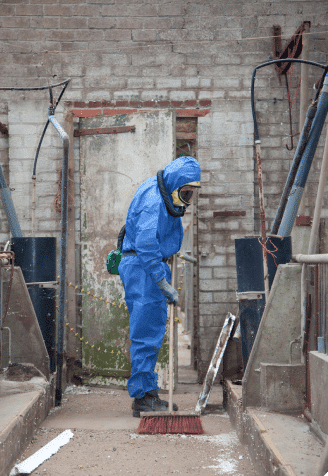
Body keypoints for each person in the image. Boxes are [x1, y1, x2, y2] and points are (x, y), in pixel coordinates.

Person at [118, 156, 201, 417]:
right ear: (175, 184)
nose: (187, 199)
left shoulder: (161, 193)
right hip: (144, 267)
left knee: (149, 332)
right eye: (185, 192)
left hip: (146, 265)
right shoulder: (155, 200)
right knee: (146, 333)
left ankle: (148, 392)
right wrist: (161, 279)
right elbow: (145, 243)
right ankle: (143, 397)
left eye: (191, 194)